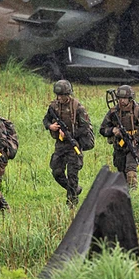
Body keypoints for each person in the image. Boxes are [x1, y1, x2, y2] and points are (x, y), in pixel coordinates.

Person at [44, 79, 94, 207]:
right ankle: (74, 190)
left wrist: (69, 135)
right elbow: (46, 120)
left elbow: (85, 127)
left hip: (74, 145)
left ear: (68, 94)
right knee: (56, 172)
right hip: (60, 145)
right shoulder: (53, 106)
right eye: (58, 95)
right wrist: (51, 126)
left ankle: (71, 202)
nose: (59, 98)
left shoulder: (78, 107)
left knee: (72, 174)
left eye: (62, 95)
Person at [99, 85, 139, 188]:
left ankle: (133, 197)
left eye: (124, 98)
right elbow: (102, 129)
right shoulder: (114, 111)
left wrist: (137, 140)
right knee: (121, 176)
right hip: (119, 147)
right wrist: (113, 130)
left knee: (131, 173)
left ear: (130, 99)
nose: (122, 101)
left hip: (134, 146)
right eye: (120, 98)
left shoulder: (138, 110)